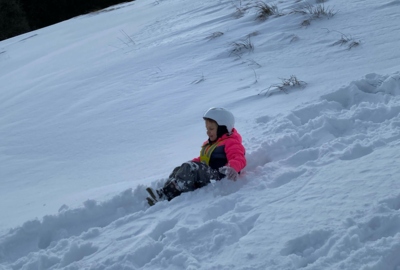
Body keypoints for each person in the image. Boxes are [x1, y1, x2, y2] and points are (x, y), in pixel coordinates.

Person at [146, 107, 246, 206]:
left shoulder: (231, 142)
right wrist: (190, 164)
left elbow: (238, 157)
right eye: (207, 129)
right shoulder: (210, 144)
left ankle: (166, 194)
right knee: (179, 169)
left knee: (190, 168)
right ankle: (167, 189)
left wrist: (232, 167)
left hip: (217, 175)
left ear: (223, 129)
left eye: (211, 129)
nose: (208, 132)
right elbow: (203, 159)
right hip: (207, 173)